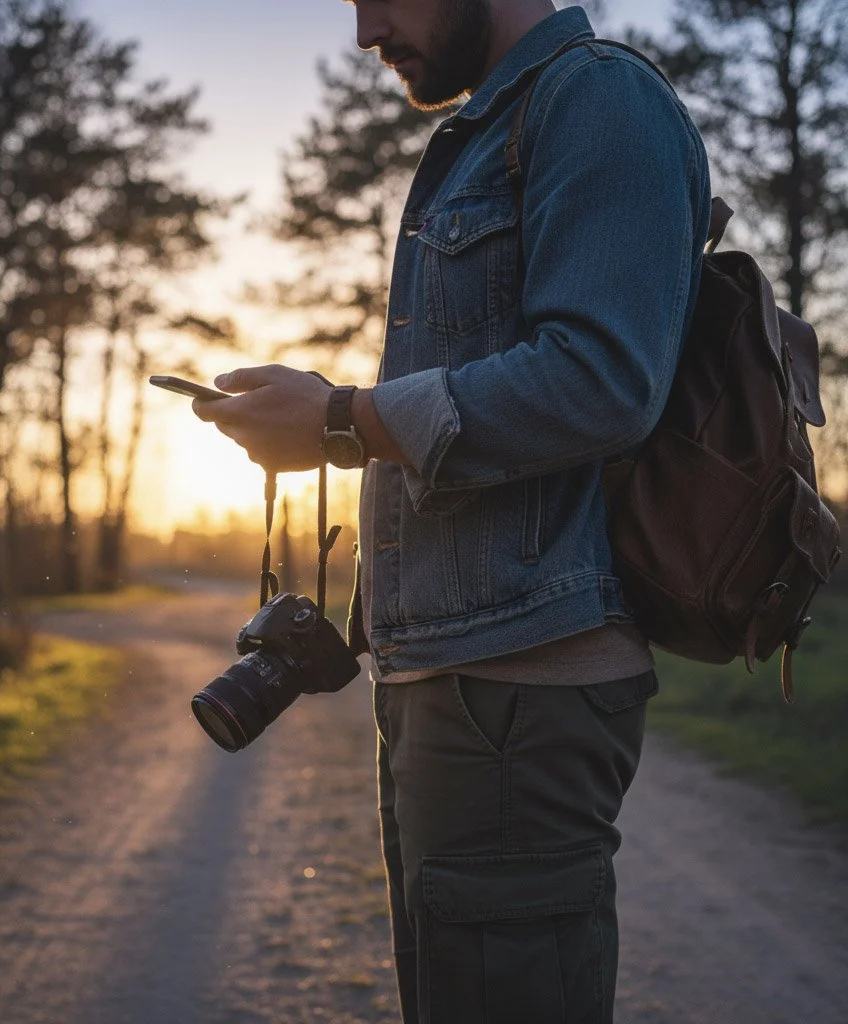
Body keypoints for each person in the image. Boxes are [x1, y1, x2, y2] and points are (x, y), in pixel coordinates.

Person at [194, 1, 712, 1020]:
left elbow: (604, 377)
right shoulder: (497, 131)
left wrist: (344, 417)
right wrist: (336, 421)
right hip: (461, 682)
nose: (363, 31)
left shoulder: (597, 100)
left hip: (520, 691)